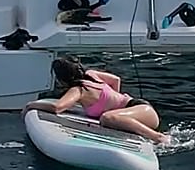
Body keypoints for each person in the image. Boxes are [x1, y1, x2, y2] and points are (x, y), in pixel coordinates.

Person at [27, 56, 169, 143]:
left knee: (107, 118)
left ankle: (158, 138)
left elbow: (57, 108)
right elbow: (116, 80)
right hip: (139, 112)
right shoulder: (92, 75)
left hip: (143, 110)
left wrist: (31, 105)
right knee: (109, 117)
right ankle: (126, 122)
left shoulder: (79, 90)